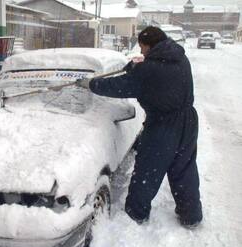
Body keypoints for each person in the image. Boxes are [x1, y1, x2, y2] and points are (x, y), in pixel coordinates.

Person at [77, 26, 203, 228]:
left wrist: (91, 84)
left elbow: (120, 86)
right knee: (184, 169)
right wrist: (135, 67)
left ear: (149, 45)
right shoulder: (179, 58)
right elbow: (156, 76)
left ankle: (136, 215)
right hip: (188, 121)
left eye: (142, 47)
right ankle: (191, 216)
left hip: (163, 126)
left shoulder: (149, 69)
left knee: (147, 171)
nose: (141, 51)